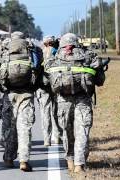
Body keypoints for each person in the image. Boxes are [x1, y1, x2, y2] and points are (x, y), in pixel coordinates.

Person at [42, 33, 107, 173]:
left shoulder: (55, 57)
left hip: (63, 99)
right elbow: (100, 80)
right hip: (83, 98)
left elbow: (46, 80)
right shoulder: (88, 55)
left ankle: (70, 160)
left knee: (67, 131)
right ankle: (79, 164)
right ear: (77, 42)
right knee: (83, 129)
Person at [0, 31, 41, 172]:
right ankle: (24, 160)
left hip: (9, 94)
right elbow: (38, 70)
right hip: (27, 93)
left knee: (9, 128)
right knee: (24, 127)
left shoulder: (3, 50)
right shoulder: (33, 49)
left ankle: (8, 158)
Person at [36, 35, 61, 146]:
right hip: (55, 84)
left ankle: (47, 139)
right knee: (57, 111)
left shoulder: (40, 52)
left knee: (45, 112)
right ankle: (58, 136)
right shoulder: (57, 51)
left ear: (45, 43)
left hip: (43, 85)